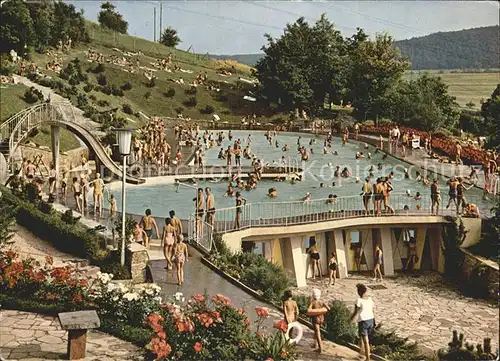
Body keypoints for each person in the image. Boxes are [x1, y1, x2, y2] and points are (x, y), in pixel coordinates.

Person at [350, 283, 375, 361]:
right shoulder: (370, 299)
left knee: (365, 340)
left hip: (363, 321)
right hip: (371, 320)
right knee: (364, 339)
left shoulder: (358, 300)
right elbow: (373, 310)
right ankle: (362, 353)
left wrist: (350, 320)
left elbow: (355, 312)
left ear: (358, 292)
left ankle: (367, 358)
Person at [307, 289, 330, 353]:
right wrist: (321, 310)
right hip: (321, 318)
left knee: (318, 333)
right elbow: (328, 308)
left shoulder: (313, 302)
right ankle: (315, 344)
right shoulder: (322, 301)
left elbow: (309, 310)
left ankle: (320, 348)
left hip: (315, 319)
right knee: (316, 331)